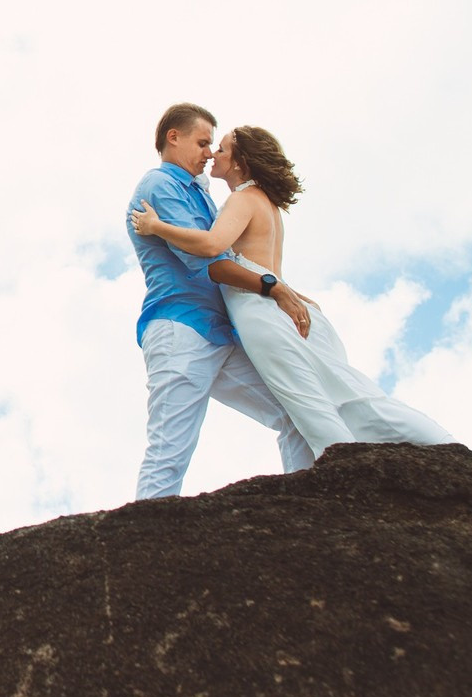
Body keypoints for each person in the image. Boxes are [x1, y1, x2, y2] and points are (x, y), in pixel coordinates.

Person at [132, 124, 453, 455]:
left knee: (308, 401)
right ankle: (437, 446)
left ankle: (359, 464)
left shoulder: (242, 199)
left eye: (223, 149)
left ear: (240, 163)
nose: (214, 153)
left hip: (261, 311)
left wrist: (156, 226)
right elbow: (263, 268)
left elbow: (212, 245)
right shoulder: (265, 203)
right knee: (349, 395)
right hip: (282, 306)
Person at [127, 103, 316, 500]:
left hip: (221, 335)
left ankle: (305, 513)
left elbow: (229, 257)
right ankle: (145, 551)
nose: (210, 152)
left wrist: (289, 292)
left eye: (213, 144)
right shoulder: (159, 186)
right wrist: (274, 287)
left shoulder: (202, 195)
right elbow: (210, 261)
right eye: (202, 142)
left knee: (296, 413)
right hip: (180, 330)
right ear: (172, 138)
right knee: (169, 451)